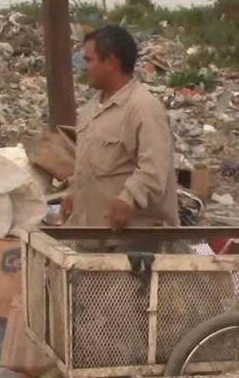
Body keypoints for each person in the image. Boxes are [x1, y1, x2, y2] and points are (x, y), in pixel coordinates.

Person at [61, 25, 179, 231]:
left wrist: (128, 198)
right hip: (93, 234)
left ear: (111, 62)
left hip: (134, 240)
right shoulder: (90, 110)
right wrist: (74, 194)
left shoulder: (143, 108)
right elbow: (86, 165)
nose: (84, 67)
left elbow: (153, 169)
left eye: (89, 60)